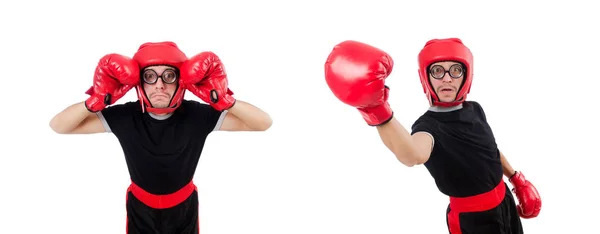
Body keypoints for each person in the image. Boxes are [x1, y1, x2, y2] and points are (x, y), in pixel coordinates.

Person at [49, 41, 273, 234]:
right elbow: (59, 126)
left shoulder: (197, 115)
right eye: (149, 76)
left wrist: (223, 99)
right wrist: (96, 99)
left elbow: (263, 123)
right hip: (140, 208)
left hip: (183, 207)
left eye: (169, 75)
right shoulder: (126, 116)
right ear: (140, 84)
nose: (159, 84)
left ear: (180, 81)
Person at [324, 38, 541, 233]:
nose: (447, 79)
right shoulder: (428, 126)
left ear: (467, 75)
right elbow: (412, 155)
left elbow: (490, 149)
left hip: (505, 201)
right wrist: (377, 109)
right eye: (437, 71)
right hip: (474, 220)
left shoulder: (475, 108)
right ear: (426, 77)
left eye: (455, 70)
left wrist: (516, 179)